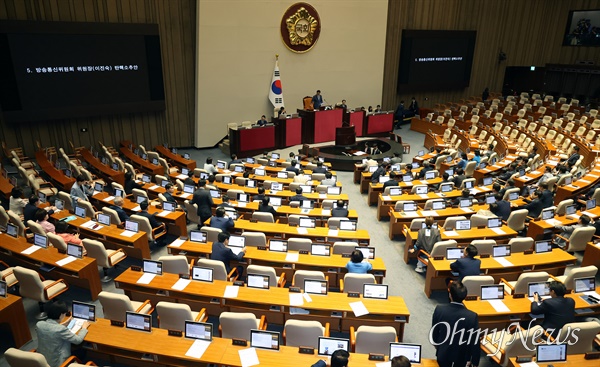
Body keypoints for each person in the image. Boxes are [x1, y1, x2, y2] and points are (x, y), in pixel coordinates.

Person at [431, 281, 480, 367]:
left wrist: (437, 345)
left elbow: (434, 332)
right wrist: (475, 362)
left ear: (450, 295)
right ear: (465, 296)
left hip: (443, 353)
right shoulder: (472, 316)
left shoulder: (439, 310)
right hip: (462, 355)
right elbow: (475, 341)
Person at [35, 301, 89, 367]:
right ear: (61, 315)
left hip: (42, 360)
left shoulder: (39, 324)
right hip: (57, 363)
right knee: (82, 351)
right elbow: (78, 340)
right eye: (64, 314)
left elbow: (51, 327)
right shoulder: (60, 329)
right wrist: (84, 328)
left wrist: (65, 323)